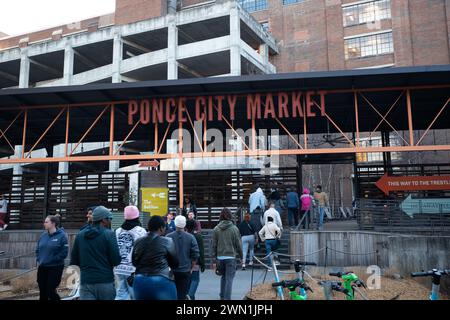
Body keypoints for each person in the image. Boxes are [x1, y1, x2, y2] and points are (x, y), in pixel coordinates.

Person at [70, 206, 121, 300]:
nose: (110, 221)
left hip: (86, 282)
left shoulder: (80, 235)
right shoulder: (109, 234)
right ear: (103, 220)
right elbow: (116, 260)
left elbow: (74, 260)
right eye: (109, 219)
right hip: (105, 281)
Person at [132, 216, 179, 300]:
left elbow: (134, 262)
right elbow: (175, 264)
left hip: (140, 281)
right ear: (161, 228)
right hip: (161, 280)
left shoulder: (138, 241)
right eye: (164, 227)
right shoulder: (167, 241)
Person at [114, 205, 147, 300]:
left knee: (120, 294)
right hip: (134, 270)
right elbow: (143, 250)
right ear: (137, 217)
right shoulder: (141, 231)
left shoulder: (117, 231)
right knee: (135, 295)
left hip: (119, 268)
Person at [212, 208, 243, 300]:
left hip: (220, 256)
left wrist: (214, 259)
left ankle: (222, 296)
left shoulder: (216, 229)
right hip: (230, 256)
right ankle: (227, 298)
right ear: (230, 216)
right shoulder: (234, 228)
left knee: (223, 277)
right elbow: (238, 244)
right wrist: (242, 257)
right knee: (229, 279)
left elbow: (214, 245)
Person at [166, 215, 199, 300]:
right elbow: (195, 254)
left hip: (172, 270)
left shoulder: (168, 237)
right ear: (184, 225)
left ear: (175, 224)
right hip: (185, 269)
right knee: (182, 293)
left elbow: (164, 253)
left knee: (171, 293)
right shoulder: (191, 237)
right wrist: (191, 267)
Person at [36, 214, 68, 300]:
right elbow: (38, 249)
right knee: (42, 292)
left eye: (46, 222)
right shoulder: (43, 236)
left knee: (49, 291)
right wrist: (39, 259)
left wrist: (51, 260)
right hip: (42, 267)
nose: (44, 224)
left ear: (53, 224)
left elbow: (64, 253)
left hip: (55, 267)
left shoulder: (62, 236)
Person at [186, 220, 205, 300]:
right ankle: (190, 295)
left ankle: (188, 295)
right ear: (195, 226)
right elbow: (201, 250)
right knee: (195, 279)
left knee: (188, 282)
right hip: (195, 262)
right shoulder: (198, 236)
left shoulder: (185, 236)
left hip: (185, 262)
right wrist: (202, 263)